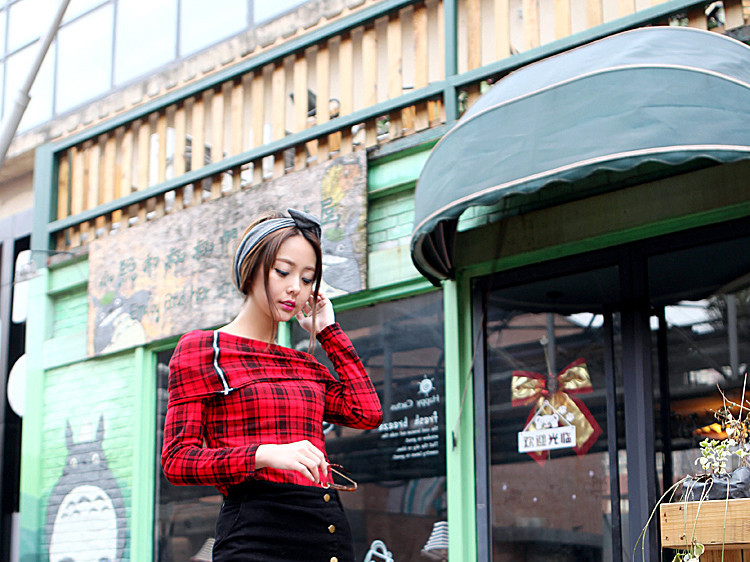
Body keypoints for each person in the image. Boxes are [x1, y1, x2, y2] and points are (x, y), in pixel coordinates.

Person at [161, 209, 383, 562]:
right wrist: (263, 454)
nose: (296, 287)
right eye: (283, 271)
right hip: (256, 529)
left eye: (308, 279)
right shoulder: (204, 350)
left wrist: (328, 333)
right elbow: (177, 461)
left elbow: (366, 412)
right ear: (251, 269)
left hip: (324, 523)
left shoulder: (303, 365)